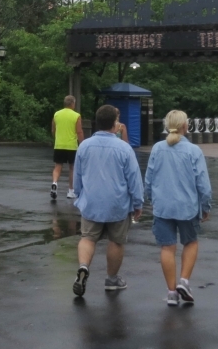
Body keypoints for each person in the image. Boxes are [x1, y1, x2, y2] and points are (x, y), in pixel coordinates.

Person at [71, 105, 144, 297]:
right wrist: (138, 203)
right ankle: (112, 279)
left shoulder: (84, 146)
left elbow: (77, 175)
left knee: (87, 237)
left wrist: (79, 194)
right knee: (116, 241)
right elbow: (133, 178)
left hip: (91, 202)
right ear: (114, 123)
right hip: (117, 204)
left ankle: (84, 267)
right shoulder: (124, 148)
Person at [144, 110, 213, 307]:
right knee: (190, 242)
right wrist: (205, 206)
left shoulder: (157, 149)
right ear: (185, 126)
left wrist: (150, 199)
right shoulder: (193, 151)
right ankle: (184, 281)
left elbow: (148, 179)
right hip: (187, 207)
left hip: (163, 206)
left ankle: (172, 292)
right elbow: (203, 185)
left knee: (167, 247)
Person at [50, 95, 84, 200]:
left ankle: (54, 183)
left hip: (59, 145)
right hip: (72, 146)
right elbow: (79, 131)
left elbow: (53, 130)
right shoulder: (76, 116)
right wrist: (82, 143)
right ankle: (70, 191)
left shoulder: (56, 114)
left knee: (57, 166)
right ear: (73, 104)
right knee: (72, 168)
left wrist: (57, 138)